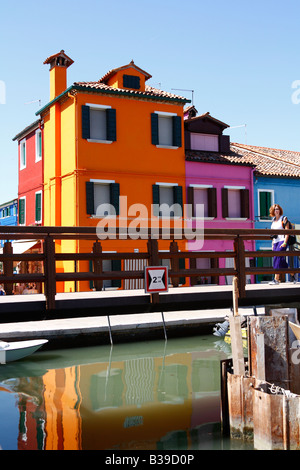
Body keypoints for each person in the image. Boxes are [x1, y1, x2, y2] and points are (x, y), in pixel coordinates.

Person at [269, 204, 290, 285]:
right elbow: (273, 234)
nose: (276, 211)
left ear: (280, 210)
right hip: (275, 242)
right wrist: (272, 244)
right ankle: (293, 273)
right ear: (272, 211)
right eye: (274, 209)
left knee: (277, 257)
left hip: (282, 240)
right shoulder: (273, 220)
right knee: (280, 260)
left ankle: (276, 279)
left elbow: (287, 231)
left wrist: (285, 242)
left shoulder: (284, 218)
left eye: (277, 209)